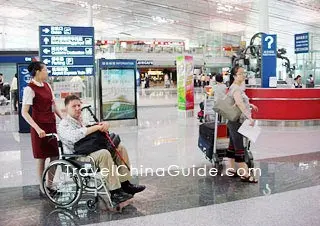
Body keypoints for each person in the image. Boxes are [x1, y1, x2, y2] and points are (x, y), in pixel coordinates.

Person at [57, 95, 146, 204]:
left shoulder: (82, 121)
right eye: (73, 106)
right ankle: (115, 192)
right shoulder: (63, 124)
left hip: (90, 151)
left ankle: (125, 184)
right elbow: (74, 137)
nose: (77, 108)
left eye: (79, 105)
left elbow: (94, 128)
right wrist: (96, 128)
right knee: (104, 154)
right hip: (77, 157)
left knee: (120, 148)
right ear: (66, 109)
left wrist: (103, 125)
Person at [21, 61, 64, 196]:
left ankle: (50, 184)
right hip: (39, 127)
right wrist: (37, 128)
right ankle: (42, 187)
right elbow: (24, 112)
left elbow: (53, 105)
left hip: (50, 124)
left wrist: (63, 118)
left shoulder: (47, 86)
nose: (47, 72)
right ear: (38, 72)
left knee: (55, 155)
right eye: (45, 70)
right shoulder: (30, 89)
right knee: (41, 158)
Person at [225, 65, 259, 183]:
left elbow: (240, 102)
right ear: (234, 76)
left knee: (232, 146)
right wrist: (249, 117)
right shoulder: (236, 88)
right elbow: (239, 103)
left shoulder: (236, 87)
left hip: (233, 122)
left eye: (243, 73)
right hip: (236, 122)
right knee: (239, 148)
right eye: (240, 73)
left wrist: (250, 105)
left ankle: (230, 169)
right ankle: (244, 174)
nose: (243, 75)